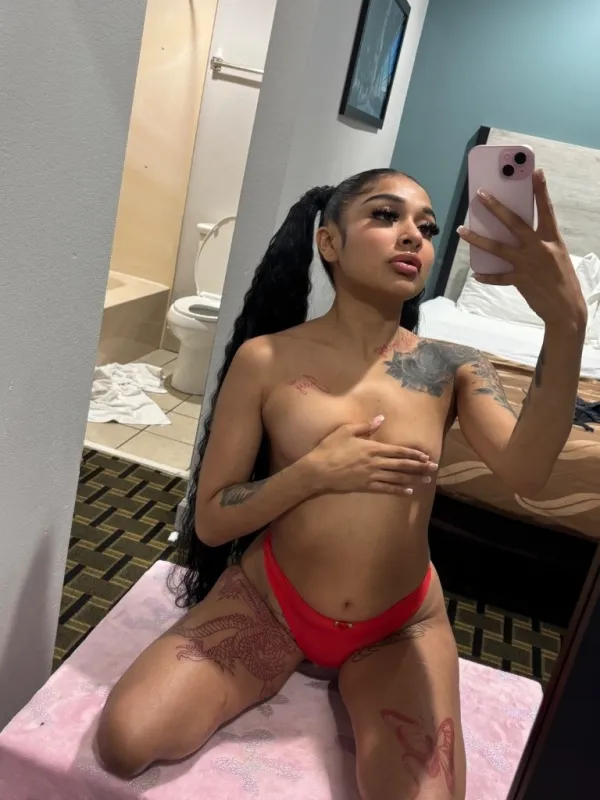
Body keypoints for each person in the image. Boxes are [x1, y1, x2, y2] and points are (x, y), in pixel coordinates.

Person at [96, 167, 586, 799]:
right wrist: (314, 473)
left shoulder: (453, 368)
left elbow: (528, 473)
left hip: (398, 626)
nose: (412, 236)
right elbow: (213, 520)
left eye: (427, 228)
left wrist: (567, 324)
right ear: (328, 241)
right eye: (386, 215)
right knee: (127, 740)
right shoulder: (266, 359)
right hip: (273, 603)